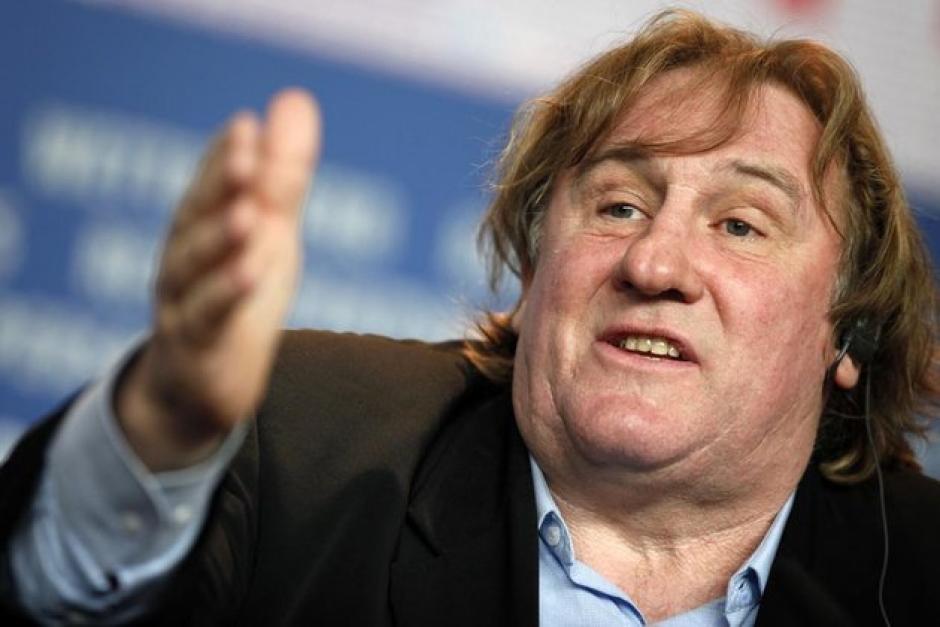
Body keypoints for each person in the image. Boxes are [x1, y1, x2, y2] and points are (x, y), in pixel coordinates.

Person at [2, 9, 939, 626]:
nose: (654, 263)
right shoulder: (298, 446)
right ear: (533, 271)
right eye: (618, 205)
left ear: (848, 329)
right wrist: (161, 432)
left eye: (740, 224)